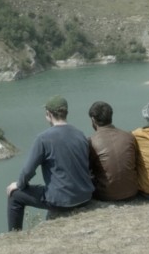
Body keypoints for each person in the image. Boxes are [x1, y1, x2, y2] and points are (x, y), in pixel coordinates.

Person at [6, 95, 94, 231]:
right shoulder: (80, 134)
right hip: (85, 197)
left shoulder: (43, 139)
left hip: (61, 201)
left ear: (48, 114)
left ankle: (14, 235)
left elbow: (28, 171)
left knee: (15, 196)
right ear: (66, 113)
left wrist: (18, 184)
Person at [88, 101, 138, 201]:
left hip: (105, 195)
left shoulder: (91, 141)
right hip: (132, 191)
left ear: (93, 119)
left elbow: (88, 168)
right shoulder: (129, 136)